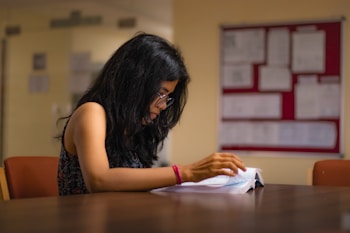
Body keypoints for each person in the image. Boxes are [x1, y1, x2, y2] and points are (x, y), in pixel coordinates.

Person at [57, 32, 246, 195]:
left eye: (168, 96)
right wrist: (187, 173)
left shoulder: (132, 127)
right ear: (135, 83)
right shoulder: (92, 113)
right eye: (161, 93)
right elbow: (99, 180)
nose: (163, 105)